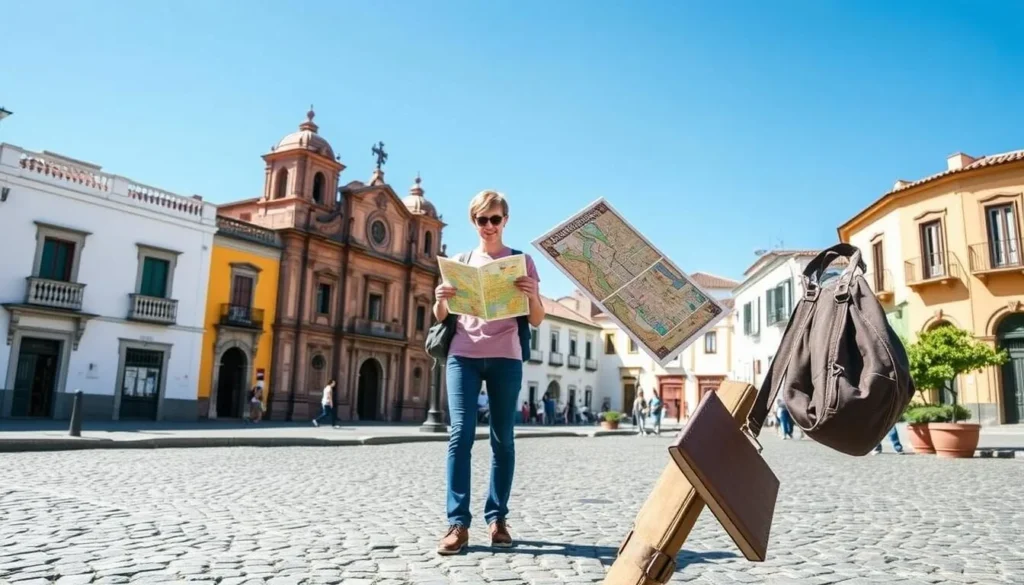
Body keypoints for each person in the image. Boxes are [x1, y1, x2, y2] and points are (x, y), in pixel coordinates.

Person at [432, 189, 545, 555]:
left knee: (503, 439)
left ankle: (497, 519)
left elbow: (537, 318)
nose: (489, 226)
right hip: (462, 353)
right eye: (482, 219)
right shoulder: (461, 261)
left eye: (495, 219)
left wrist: (531, 295)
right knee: (460, 435)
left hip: (505, 356)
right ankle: (457, 525)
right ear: (474, 222)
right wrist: (440, 300)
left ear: (505, 221)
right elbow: (441, 318)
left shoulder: (521, 261)